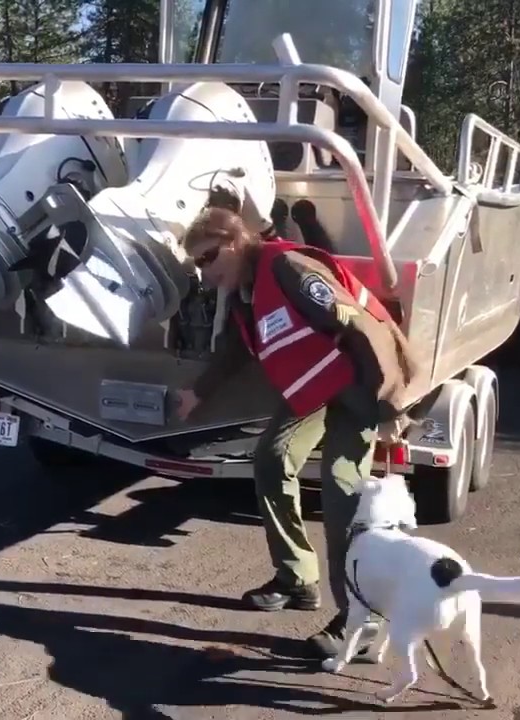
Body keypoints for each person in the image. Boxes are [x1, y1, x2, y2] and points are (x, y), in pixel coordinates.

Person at [173, 206, 419, 658]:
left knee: (342, 490)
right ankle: (296, 578)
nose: (204, 273)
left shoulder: (286, 267)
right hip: (314, 388)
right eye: (197, 264)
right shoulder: (243, 291)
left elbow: (360, 325)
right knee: (272, 459)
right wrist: (198, 393)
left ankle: (359, 621)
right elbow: (233, 350)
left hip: (357, 386)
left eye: (208, 258)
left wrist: (390, 404)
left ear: (232, 242)